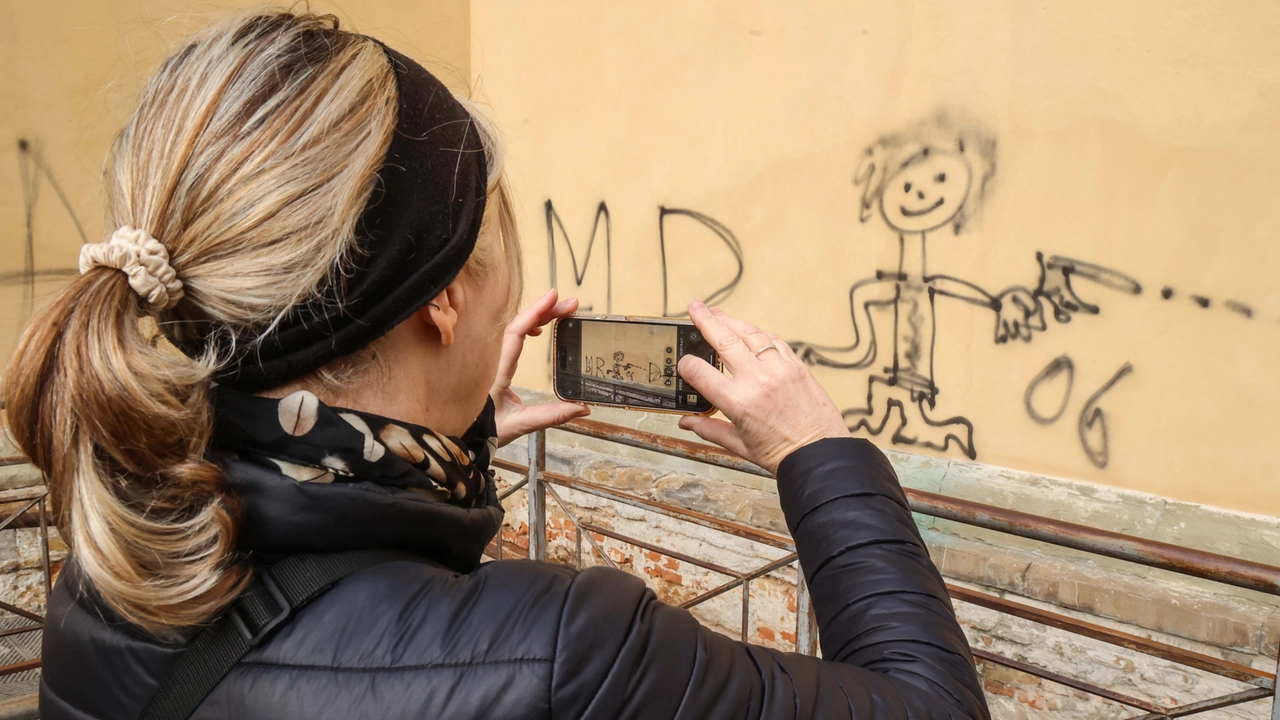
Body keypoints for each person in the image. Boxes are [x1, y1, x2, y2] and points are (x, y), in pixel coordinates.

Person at [4, 11, 989, 720]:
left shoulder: (120, 554)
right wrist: (817, 454)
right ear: (443, 296)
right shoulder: (570, 654)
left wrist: (444, 452)